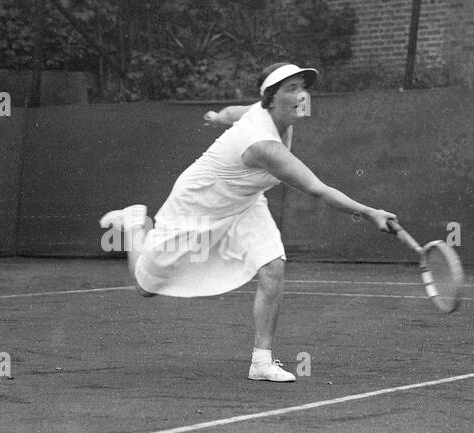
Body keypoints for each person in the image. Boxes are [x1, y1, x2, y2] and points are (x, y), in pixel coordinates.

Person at [100, 62, 397, 382]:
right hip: (198, 205)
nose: (302, 96)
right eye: (291, 88)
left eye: (303, 87)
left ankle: (261, 361)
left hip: (246, 201)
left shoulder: (264, 113)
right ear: (271, 98)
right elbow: (318, 189)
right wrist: (371, 213)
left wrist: (217, 118)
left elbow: (231, 113)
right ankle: (133, 224)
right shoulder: (262, 145)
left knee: (273, 266)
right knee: (145, 286)